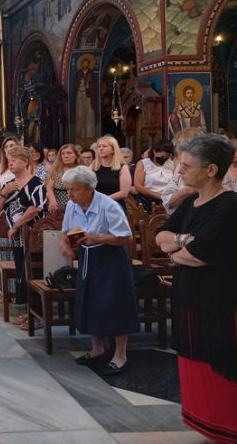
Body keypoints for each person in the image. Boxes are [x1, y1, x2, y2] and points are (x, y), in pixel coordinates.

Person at [156, 135, 237, 443]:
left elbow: (200, 255)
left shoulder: (229, 205)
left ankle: (227, 426)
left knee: (218, 353)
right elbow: (161, 236)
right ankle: (204, 420)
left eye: (187, 165)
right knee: (193, 353)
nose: (179, 171)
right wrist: (181, 242)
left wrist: (177, 250)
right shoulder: (191, 201)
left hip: (218, 296)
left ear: (212, 169)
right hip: (189, 291)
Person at [61, 166, 138, 376]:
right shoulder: (72, 204)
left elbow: (126, 237)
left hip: (111, 257)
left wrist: (99, 237)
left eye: (74, 190)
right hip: (88, 256)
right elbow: (65, 231)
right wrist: (66, 246)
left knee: (114, 302)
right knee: (90, 301)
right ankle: (97, 348)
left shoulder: (108, 205)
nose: (70, 194)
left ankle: (120, 355)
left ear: (89, 188)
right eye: (68, 189)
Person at [0, 145, 45, 305]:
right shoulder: (9, 184)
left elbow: (35, 208)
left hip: (33, 235)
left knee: (32, 271)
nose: (10, 164)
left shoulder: (37, 183)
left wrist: (16, 226)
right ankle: (25, 309)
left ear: (25, 162)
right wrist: (4, 192)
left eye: (14, 161)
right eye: (9, 161)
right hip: (17, 237)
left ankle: (35, 312)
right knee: (21, 268)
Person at [133, 139, 174, 212]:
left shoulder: (170, 164)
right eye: (162, 156)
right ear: (155, 152)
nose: (164, 159)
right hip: (148, 199)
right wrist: (158, 195)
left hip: (168, 199)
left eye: (166, 157)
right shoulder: (144, 163)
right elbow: (138, 185)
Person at [92, 135, 131, 212]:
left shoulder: (122, 167)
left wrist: (103, 200)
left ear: (113, 149)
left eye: (104, 146)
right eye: (99, 146)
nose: (101, 148)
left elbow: (124, 192)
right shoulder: (93, 166)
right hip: (95, 207)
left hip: (115, 207)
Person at [45, 143, 79, 214]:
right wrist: (52, 201)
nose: (66, 156)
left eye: (69, 153)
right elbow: (49, 187)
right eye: (63, 154)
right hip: (57, 207)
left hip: (76, 206)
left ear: (76, 155)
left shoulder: (81, 170)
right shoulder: (57, 170)